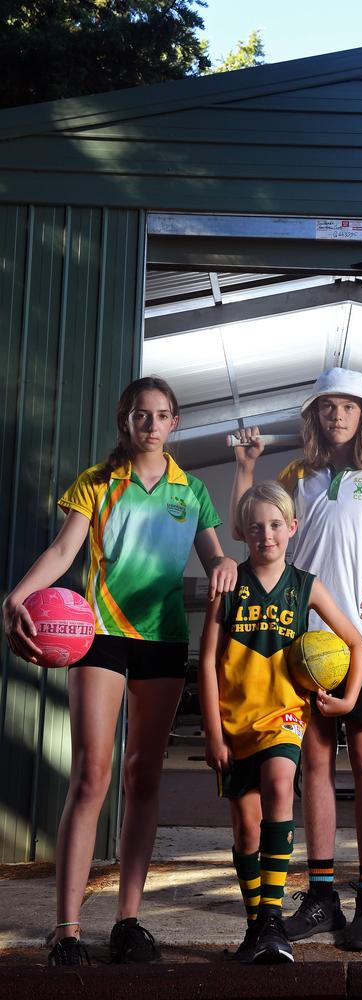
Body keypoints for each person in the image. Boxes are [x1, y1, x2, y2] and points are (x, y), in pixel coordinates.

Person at [2, 376, 237, 967]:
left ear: (175, 423)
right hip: (101, 635)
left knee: (145, 779)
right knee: (92, 776)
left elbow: (213, 556)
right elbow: (63, 553)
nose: (151, 424)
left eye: (161, 415)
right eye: (140, 415)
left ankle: (129, 921)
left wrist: (226, 562)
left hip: (164, 641)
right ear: (125, 423)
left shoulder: (194, 491)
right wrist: (18, 596)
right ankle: (67, 930)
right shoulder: (97, 483)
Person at [230, 367, 362, 950]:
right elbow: (246, 525)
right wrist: (247, 468)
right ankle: (322, 894)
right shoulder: (296, 474)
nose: (337, 416)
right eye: (328, 407)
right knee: (316, 769)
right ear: (315, 415)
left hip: (361, 641)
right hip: (299, 643)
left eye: (348, 407)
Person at [199, 481, 362, 964]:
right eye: (256, 527)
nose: (266, 534)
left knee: (279, 784)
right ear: (242, 533)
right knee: (246, 829)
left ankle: (272, 918)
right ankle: (258, 927)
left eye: (276, 525)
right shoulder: (226, 586)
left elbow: (357, 644)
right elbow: (209, 662)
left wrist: (348, 698)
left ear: (292, 528)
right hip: (234, 721)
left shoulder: (306, 585)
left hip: (284, 715)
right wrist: (212, 732)